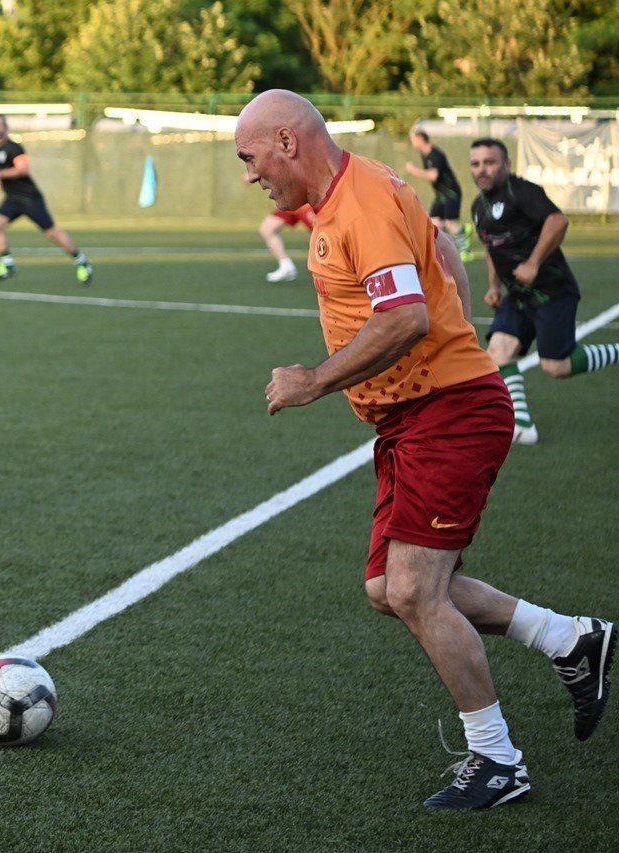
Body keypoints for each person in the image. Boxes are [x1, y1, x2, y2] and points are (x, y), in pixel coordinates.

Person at [236, 89, 612, 810]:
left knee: (414, 588)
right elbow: (441, 254)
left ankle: (498, 760)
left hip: (450, 413)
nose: (251, 174)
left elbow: (404, 315)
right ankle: (571, 639)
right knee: (388, 590)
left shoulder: (363, 199)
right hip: (413, 418)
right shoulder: (357, 191)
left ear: (286, 141)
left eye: (250, 157)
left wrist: (316, 379)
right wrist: (457, 327)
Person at [469, 137, 619, 446]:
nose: (482, 170)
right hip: (518, 296)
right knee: (498, 351)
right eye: (476, 164)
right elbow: (491, 249)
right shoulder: (477, 208)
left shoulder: (522, 191)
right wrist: (494, 286)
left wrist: (534, 262)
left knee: (556, 366)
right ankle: (521, 425)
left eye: (489, 162)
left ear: (506, 165)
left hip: (553, 291)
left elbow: (557, 220)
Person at [0, 114, 93, 285]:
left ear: (6, 127)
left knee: (52, 233)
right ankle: (7, 264)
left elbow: (23, 169)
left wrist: (0, 174)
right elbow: (2, 169)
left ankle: (81, 261)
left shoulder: (14, 148)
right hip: (12, 199)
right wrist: (0, 181)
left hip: (29, 199)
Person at [403, 129, 474, 262]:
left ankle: (466, 250)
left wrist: (414, 170)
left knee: (450, 222)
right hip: (441, 195)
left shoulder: (435, 154)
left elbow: (433, 176)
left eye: (413, 139)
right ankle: (441, 253)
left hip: (451, 193)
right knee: (434, 223)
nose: (412, 142)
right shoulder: (424, 154)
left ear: (420, 139)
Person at [257, 202, 315, 282]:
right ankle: (286, 266)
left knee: (325, 234)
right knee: (267, 229)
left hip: (312, 200)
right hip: (295, 199)